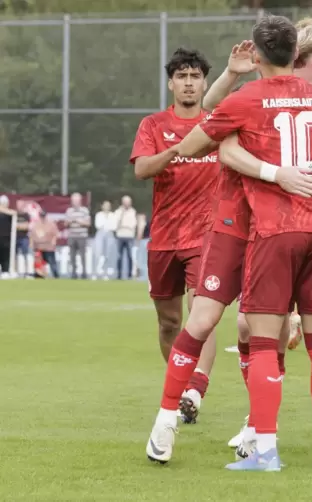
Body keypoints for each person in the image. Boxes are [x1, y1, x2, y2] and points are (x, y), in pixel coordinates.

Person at [146, 15, 312, 471]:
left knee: (259, 334)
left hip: (272, 228)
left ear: (261, 55)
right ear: (304, 57)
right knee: (215, 319)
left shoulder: (254, 99)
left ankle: (262, 438)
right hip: (251, 223)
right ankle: (169, 420)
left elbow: (204, 141)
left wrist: (263, 164)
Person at [130, 47, 221, 425]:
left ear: (204, 83)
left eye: (195, 76)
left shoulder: (216, 124)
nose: (188, 83)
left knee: (204, 313)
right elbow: (142, 170)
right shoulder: (153, 125)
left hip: (206, 236)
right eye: (181, 76)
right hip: (165, 237)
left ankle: (195, 387)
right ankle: (181, 384)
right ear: (171, 83)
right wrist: (176, 150)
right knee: (169, 323)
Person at [64, 192, 91, 279]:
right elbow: (65, 224)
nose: (74, 202)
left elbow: (88, 223)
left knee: (83, 256)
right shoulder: (69, 211)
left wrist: (79, 221)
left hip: (82, 236)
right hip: (72, 236)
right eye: (73, 201)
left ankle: (84, 273)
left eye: (76, 200)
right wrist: (70, 221)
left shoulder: (85, 210)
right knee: (72, 256)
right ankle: (73, 273)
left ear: (80, 201)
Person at [113, 195, 138, 279]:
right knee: (119, 256)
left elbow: (133, 224)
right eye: (125, 202)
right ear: (122, 202)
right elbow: (116, 224)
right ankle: (119, 275)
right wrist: (123, 218)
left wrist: (124, 225)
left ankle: (129, 275)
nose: (127, 203)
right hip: (120, 236)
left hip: (129, 236)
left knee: (130, 256)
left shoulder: (133, 211)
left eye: (128, 202)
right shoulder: (118, 211)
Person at [29, 211, 59, 278]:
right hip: (38, 247)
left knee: (52, 263)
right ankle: (39, 276)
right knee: (39, 263)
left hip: (49, 247)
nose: (42, 218)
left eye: (43, 216)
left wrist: (53, 241)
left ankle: (56, 276)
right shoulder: (36, 224)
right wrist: (31, 243)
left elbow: (55, 234)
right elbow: (32, 235)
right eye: (41, 216)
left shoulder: (51, 224)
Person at [93, 201, 116, 280]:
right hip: (100, 233)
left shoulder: (112, 215)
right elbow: (98, 225)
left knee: (107, 255)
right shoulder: (99, 215)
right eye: (105, 205)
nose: (106, 207)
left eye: (108, 206)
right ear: (102, 206)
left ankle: (105, 273)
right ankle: (95, 273)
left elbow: (114, 226)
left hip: (109, 234)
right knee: (98, 254)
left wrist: (107, 224)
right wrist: (106, 223)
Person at [15, 201, 31, 276]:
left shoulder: (26, 215)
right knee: (14, 256)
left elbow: (26, 226)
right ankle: (15, 271)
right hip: (15, 238)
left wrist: (17, 225)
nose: (19, 207)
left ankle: (27, 271)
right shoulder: (14, 214)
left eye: (21, 205)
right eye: (18, 205)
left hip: (24, 238)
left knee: (25, 255)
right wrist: (21, 226)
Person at [0, 195, 14, 276]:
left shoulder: (9, 214)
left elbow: (14, 213)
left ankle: (5, 272)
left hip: (6, 239)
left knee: (5, 256)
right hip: (4, 239)